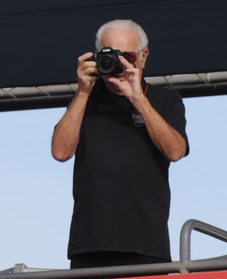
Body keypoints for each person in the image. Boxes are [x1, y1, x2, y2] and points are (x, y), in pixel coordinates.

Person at [51, 19, 189, 269]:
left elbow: (176, 151)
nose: (118, 63)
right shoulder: (84, 99)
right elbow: (60, 152)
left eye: (127, 56)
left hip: (145, 244)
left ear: (143, 57)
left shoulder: (164, 99)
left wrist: (138, 99)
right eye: (110, 55)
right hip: (89, 243)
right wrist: (83, 91)